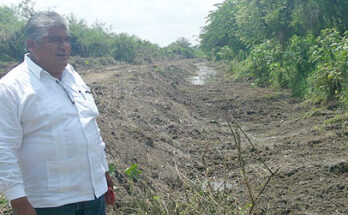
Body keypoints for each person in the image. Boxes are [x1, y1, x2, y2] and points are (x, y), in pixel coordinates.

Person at [0, 11, 113, 215]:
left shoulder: (73, 76)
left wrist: (103, 170)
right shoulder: (11, 88)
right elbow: (3, 148)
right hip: (51, 204)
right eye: (55, 40)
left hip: (93, 196)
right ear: (32, 45)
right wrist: (19, 202)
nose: (64, 47)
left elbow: (90, 126)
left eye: (67, 40)